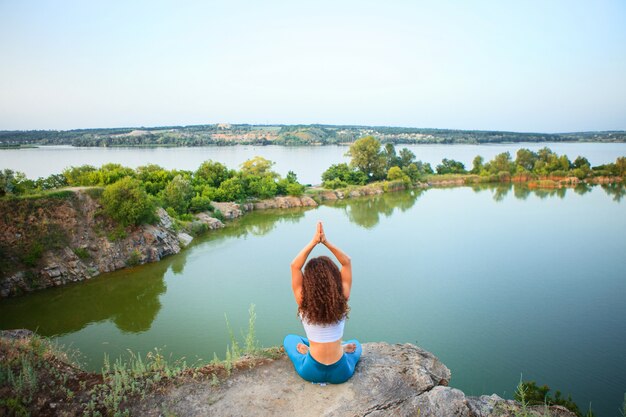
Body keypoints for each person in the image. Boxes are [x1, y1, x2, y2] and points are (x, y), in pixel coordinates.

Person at [283, 221, 362, 384]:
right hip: (341, 372)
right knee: (355, 344)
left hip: (311, 370)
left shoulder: (303, 302)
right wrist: (325, 242)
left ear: (309, 281)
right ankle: (341, 348)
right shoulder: (342, 298)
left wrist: (313, 242)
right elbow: (346, 261)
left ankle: (310, 350)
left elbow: (294, 266)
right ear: (334, 278)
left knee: (290, 339)